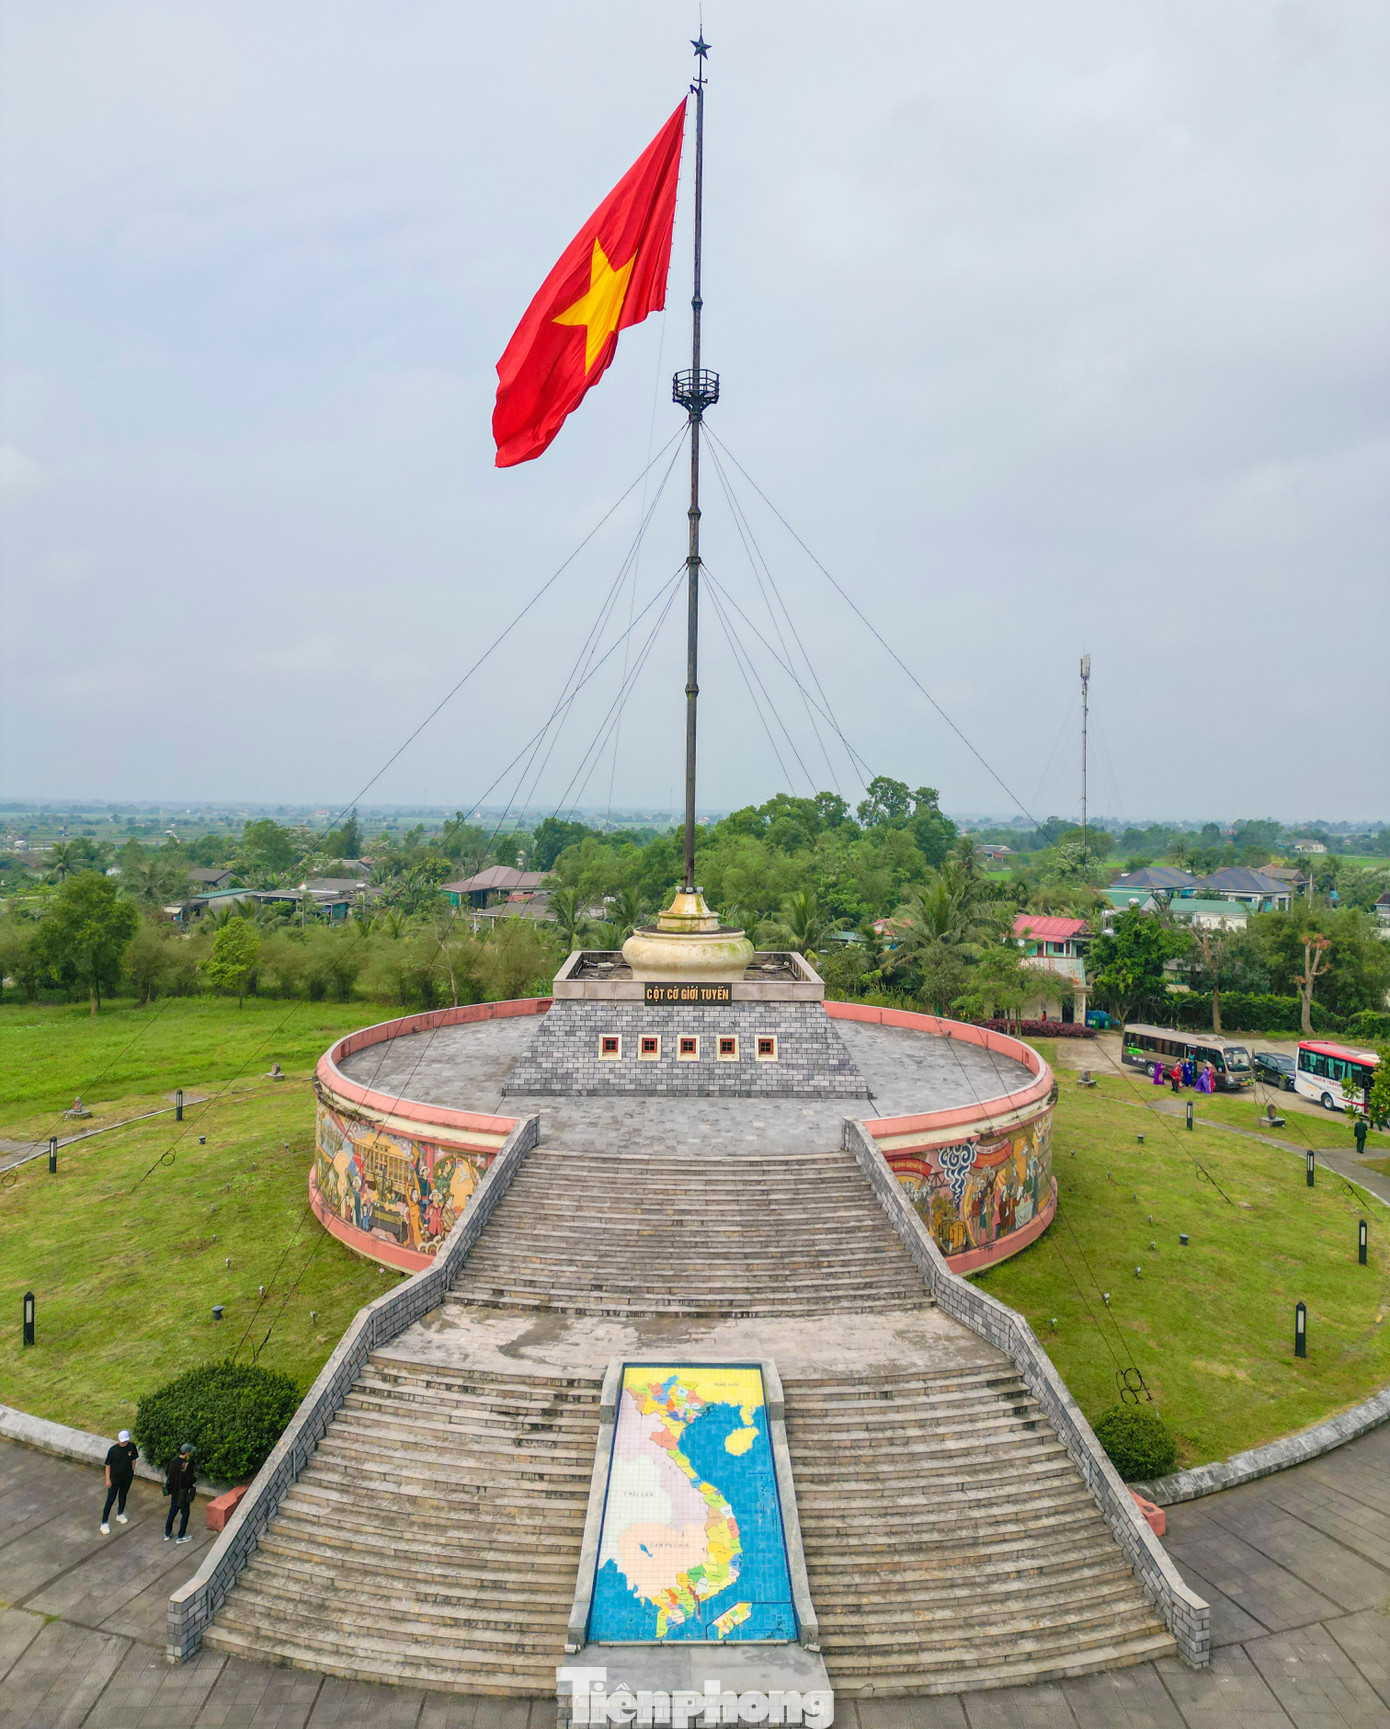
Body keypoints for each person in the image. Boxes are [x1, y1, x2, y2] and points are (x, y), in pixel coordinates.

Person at [100, 1429, 138, 1533]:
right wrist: (108, 1479)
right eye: (123, 1441)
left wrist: (132, 1470)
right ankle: (104, 1522)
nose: (124, 1443)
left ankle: (120, 1514)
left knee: (123, 1495)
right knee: (110, 1500)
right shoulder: (113, 1450)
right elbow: (108, 1465)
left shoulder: (131, 1446)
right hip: (115, 1479)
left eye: (126, 1441)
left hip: (126, 1477)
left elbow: (133, 1459)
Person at [164, 1443, 197, 1543]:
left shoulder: (173, 1461)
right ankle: (181, 1536)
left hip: (174, 1492)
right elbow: (190, 1480)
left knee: (172, 1512)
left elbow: (167, 1473)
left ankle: (167, 1533)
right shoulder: (187, 1465)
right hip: (183, 1493)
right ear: (186, 1453)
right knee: (185, 1513)